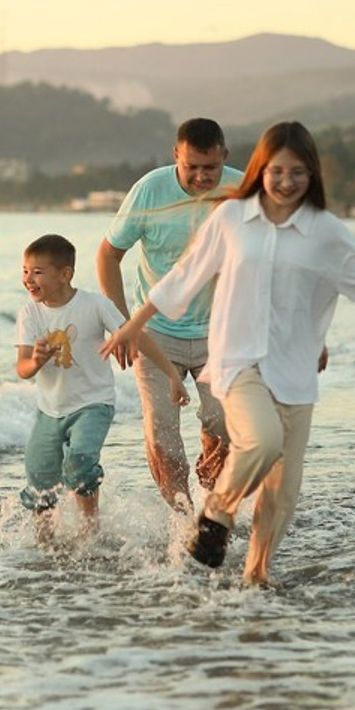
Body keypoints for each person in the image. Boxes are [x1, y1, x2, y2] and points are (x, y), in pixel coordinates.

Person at [101, 120, 355, 587]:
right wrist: (130, 325)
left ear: (311, 174)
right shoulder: (234, 217)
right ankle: (215, 514)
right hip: (239, 359)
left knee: (284, 487)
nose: (286, 181)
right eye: (277, 171)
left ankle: (256, 577)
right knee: (261, 440)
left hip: (295, 366)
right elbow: (184, 275)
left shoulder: (325, 231)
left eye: (297, 172)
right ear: (261, 169)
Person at [96, 117, 243, 512]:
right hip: (156, 331)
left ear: (224, 158)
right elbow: (109, 254)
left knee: (225, 426)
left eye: (209, 168)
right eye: (190, 166)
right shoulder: (150, 190)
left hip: (220, 332)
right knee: (163, 432)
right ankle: (182, 516)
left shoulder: (242, 192)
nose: (199, 176)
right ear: (175, 155)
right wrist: (123, 323)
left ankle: (211, 489)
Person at [17, 233, 188, 542]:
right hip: (50, 410)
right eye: (25, 271)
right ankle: (45, 543)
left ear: (65, 274)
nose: (28, 279)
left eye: (37, 272)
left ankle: (89, 532)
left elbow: (136, 334)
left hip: (93, 403)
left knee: (80, 461)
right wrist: (37, 361)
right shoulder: (30, 313)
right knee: (39, 478)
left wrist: (172, 375)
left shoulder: (95, 305)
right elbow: (23, 368)